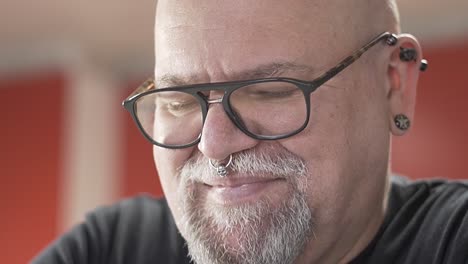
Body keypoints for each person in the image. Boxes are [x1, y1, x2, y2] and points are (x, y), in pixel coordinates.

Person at [33, 0, 468, 263]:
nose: (214, 144)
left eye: (269, 91)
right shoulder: (115, 248)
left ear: (393, 81)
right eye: (179, 99)